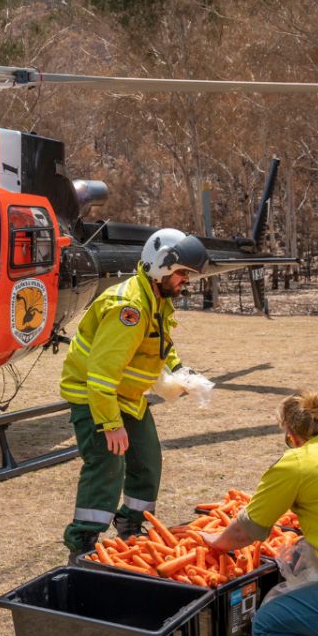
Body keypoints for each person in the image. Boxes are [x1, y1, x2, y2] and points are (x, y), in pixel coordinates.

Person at [59, 227, 209, 560]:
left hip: (127, 397)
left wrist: (180, 370)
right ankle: (82, 541)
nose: (186, 280)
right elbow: (101, 374)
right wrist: (111, 424)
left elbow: (159, 344)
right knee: (107, 465)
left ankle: (131, 525)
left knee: (147, 460)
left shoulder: (155, 299)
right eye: (182, 272)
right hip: (95, 397)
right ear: (161, 266)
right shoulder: (129, 308)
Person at [203, 391, 318, 636]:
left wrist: (215, 541)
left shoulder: (297, 463)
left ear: (292, 435)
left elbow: (245, 530)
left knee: (265, 626)